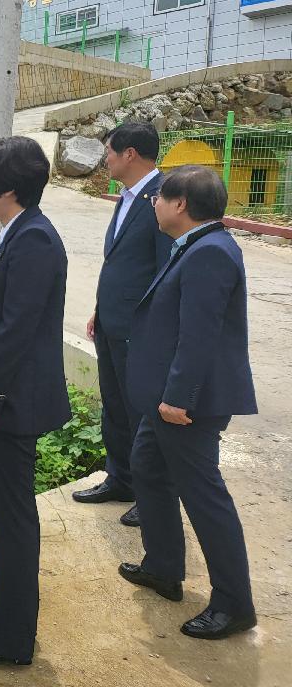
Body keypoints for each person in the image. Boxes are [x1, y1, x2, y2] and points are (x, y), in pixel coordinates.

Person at [118, 165, 257, 640]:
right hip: (166, 399)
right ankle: (162, 566)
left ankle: (234, 603)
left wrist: (177, 397)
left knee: (204, 497)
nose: (152, 204)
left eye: (158, 197)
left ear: (179, 204)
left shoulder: (210, 252)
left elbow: (201, 335)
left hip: (186, 403)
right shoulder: (196, 246)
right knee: (148, 468)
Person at [0, 136, 71, 668]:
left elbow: (15, 332)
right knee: (6, 518)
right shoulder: (15, 231)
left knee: (14, 522)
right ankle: (5, 616)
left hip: (10, 402)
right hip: (4, 398)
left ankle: (9, 639)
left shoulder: (35, 242)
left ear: (6, 189)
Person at [74, 122, 173, 528]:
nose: (106, 159)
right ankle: (121, 479)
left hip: (140, 329)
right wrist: (101, 306)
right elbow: (120, 261)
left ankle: (149, 495)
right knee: (114, 406)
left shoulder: (165, 197)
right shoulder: (128, 197)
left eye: (110, 151)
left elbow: (166, 269)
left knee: (140, 414)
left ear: (130, 154)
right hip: (113, 321)